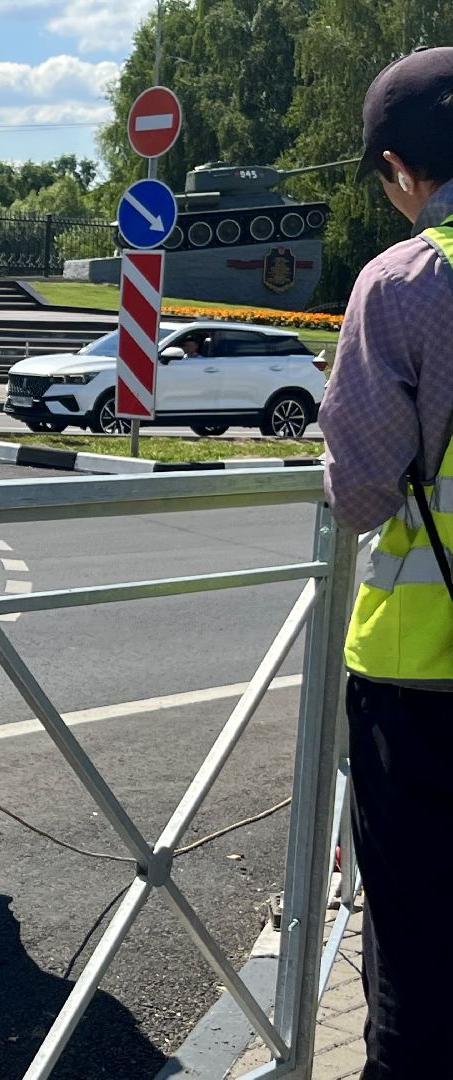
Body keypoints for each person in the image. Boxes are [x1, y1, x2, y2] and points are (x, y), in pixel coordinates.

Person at [319, 46, 453, 1080]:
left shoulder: (406, 282)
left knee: (414, 953)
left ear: (403, 169)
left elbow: (362, 490)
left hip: (422, 678)